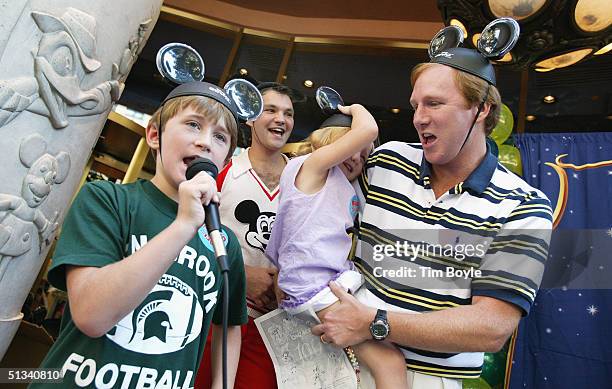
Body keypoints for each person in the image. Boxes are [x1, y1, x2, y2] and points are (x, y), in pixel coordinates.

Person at [312, 48, 553, 389]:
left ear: (481, 109)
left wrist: (374, 323)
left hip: (428, 380)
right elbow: (319, 223)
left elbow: (491, 327)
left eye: (434, 104)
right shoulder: (385, 161)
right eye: (416, 105)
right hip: (339, 358)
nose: (418, 118)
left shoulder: (523, 206)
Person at [31, 82, 247, 389]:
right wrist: (183, 225)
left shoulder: (223, 242)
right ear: (155, 135)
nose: (205, 142)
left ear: (224, 162)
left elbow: (229, 326)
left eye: (220, 136)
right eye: (193, 125)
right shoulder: (108, 200)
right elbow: (92, 316)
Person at [266, 104, 409, 389]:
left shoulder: (340, 186)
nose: (356, 156)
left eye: (364, 154)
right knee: (390, 362)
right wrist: (355, 109)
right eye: (350, 145)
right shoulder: (311, 167)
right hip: (315, 287)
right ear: (328, 141)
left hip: (320, 284)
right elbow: (369, 129)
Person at [196, 82, 295, 389]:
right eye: (271, 110)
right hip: (218, 314)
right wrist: (241, 274)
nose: (281, 119)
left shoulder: (303, 180)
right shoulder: (221, 171)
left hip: (275, 328)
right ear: (251, 117)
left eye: (289, 114)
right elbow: (189, 238)